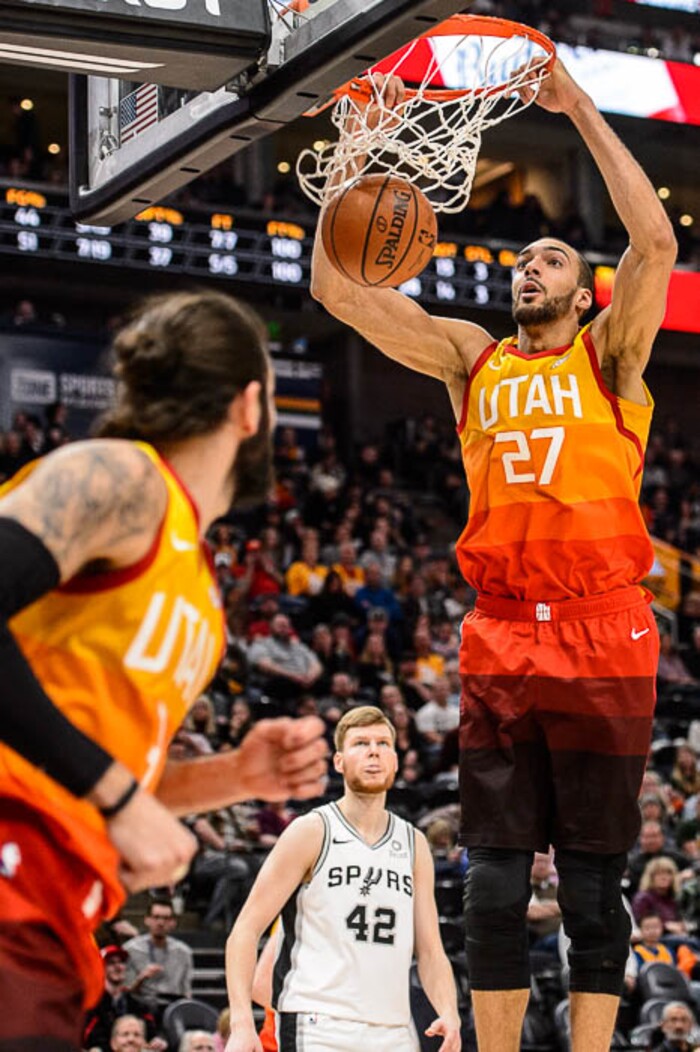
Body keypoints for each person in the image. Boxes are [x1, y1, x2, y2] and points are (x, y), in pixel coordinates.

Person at [311, 58, 676, 1052]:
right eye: (524, 261)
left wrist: (579, 110)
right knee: (492, 888)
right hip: (504, 630)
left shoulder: (613, 358)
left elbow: (653, 239)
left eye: (552, 259)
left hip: (606, 630)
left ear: (580, 286)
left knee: (596, 883)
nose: (532, 268)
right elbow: (336, 292)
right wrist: (357, 148)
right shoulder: (469, 357)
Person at [0, 290, 329, 1050]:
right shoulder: (121, 478)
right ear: (252, 407)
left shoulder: (198, 590)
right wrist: (114, 795)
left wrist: (237, 777)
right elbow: (104, 783)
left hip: (59, 911)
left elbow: (90, 756)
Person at [225, 706, 461, 1051]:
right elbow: (245, 930)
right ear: (339, 761)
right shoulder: (311, 831)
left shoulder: (414, 844)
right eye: (360, 743)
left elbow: (430, 951)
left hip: (393, 1029)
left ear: (395, 761)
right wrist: (242, 1022)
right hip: (317, 1023)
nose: (373, 751)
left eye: (383, 743)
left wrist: (449, 1012)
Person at [83, 945, 162, 1052]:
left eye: (121, 962)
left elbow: (151, 1033)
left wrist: (156, 1041)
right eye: (111, 963)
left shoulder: (136, 1004)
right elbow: (88, 1037)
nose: (118, 967)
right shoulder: (92, 1004)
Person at [123, 897, 193, 1006]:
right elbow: (126, 992)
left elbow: (186, 991)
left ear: (173, 922)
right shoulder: (131, 950)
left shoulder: (183, 952)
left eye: (166, 918)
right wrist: (141, 978)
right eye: (156, 917)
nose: (160, 922)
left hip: (173, 1004)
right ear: (147, 920)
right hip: (141, 1005)